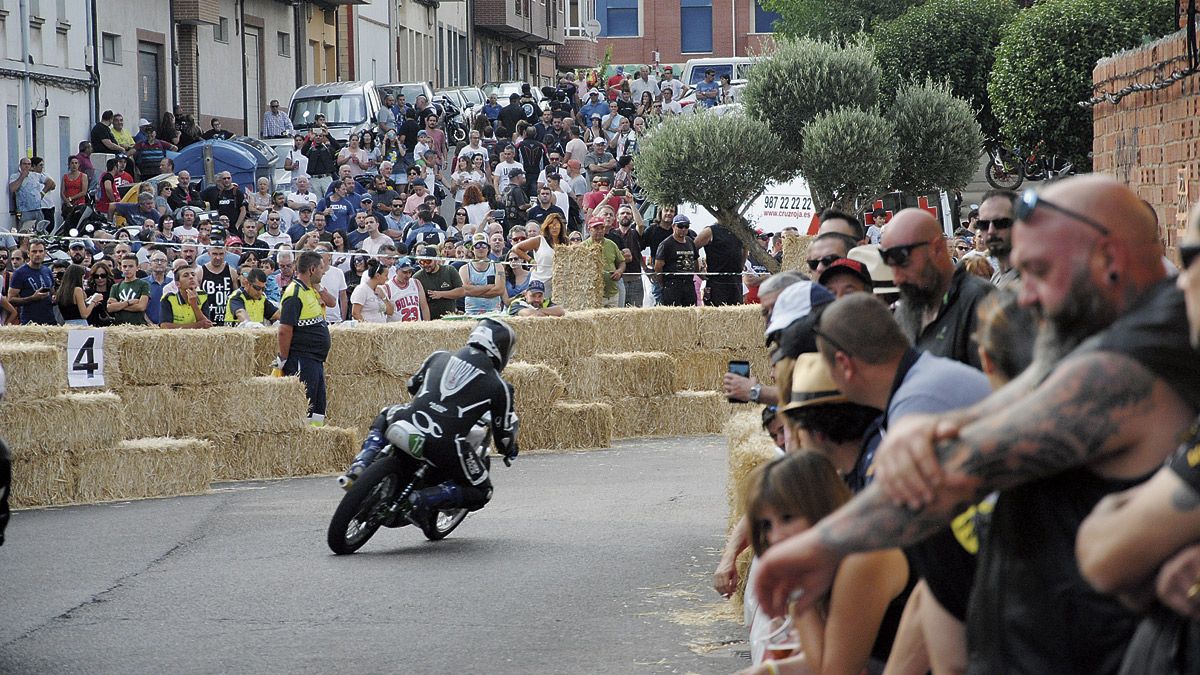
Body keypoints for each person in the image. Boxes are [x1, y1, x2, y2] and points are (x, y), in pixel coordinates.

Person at [753, 176, 1200, 675]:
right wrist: (946, 423)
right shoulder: (1115, 336)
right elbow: (1037, 385)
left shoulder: (1126, 366)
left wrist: (818, 546)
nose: (1023, 296)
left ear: (1108, 261)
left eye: (1037, 271)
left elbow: (951, 471)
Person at [737, 451, 911, 674]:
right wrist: (770, 670)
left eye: (788, 518)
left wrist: (798, 595)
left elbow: (832, 671)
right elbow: (821, 659)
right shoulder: (827, 564)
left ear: (820, 508)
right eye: (766, 525)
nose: (775, 536)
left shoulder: (861, 559)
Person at [337, 318, 520, 529]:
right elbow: (504, 436)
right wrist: (510, 450)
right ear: (501, 349)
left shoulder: (439, 356)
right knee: (482, 491)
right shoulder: (500, 386)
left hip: (407, 420)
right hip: (444, 443)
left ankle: (361, 463)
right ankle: (422, 499)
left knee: (386, 413)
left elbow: (412, 385)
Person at [881, 208, 994, 369]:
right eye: (891, 267)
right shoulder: (908, 308)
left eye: (904, 263)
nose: (897, 278)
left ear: (937, 249)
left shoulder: (979, 300)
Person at [274, 251, 331, 425]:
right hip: (302, 359)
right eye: (321, 268)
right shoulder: (294, 293)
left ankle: (315, 445)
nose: (324, 272)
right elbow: (284, 329)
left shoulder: (310, 290)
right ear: (312, 269)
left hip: (314, 360)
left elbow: (332, 303)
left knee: (318, 408)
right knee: (304, 408)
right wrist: (283, 358)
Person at [6, 239, 55, 324]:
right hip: (30, 322)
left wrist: (54, 297)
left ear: (45, 253)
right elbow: (10, 299)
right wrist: (32, 298)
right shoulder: (19, 273)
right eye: (34, 251)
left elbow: (53, 292)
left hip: (49, 320)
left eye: (40, 251)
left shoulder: (47, 270)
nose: (37, 254)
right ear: (28, 253)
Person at [655, 215, 698, 307]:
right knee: (673, 314)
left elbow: (695, 260)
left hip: (689, 283)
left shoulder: (690, 241)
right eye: (680, 226)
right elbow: (658, 267)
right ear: (673, 226)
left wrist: (698, 273)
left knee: (691, 312)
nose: (683, 229)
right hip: (672, 284)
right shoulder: (666, 244)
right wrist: (662, 283)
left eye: (686, 226)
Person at [583, 216, 625, 308]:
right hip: (593, 295)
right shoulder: (583, 247)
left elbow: (622, 261)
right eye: (596, 228)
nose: (599, 231)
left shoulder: (611, 244)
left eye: (602, 228)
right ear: (589, 229)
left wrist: (619, 271)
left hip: (612, 293)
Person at [414, 244, 465, 319]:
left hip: (450, 318)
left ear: (436, 260)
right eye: (421, 262)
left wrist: (441, 294)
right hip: (431, 320)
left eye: (428, 261)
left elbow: (461, 291)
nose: (425, 265)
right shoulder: (417, 277)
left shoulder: (449, 270)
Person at [461, 233, 504, 315]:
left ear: (488, 248)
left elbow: (499, 290)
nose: (480, 248)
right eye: (477, 246)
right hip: (471, 312)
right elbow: (466, 290)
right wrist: (488, 287)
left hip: (494, 312)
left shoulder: (498, 266)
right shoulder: (464, 269)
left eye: (484, 245)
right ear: (472, 249)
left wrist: (474, 290)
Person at [107, 254, 151, 325]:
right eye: (124, 266)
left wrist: (119, 305)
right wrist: (128, 302)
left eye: (131, 266)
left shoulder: (144, 284)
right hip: (119, 326)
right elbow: (110, 308)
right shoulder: (115, 287)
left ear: (137, 267)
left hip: (138, 326)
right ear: (121, 268)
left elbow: (141, 307)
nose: (127, 269)